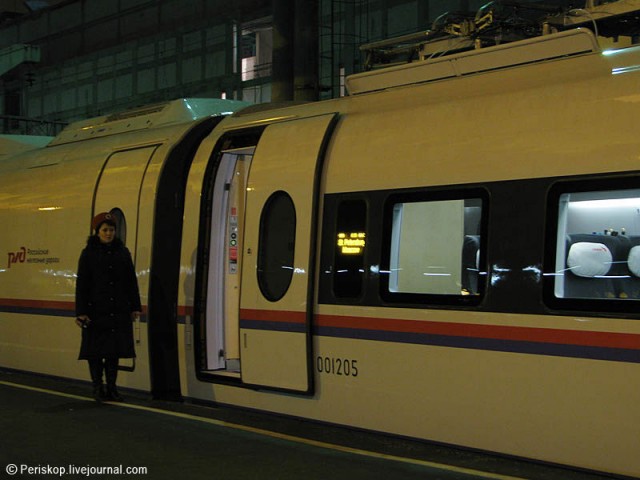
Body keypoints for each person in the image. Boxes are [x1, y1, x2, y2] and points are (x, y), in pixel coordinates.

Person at [75, 212, 141, 402]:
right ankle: (98, 386)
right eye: (105, 230)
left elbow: (131, 281)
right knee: (95, 352)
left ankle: (111, 387)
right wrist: (81, 312)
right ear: (97, 232)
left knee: (113, 352)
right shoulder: (88, 253)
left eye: (111, 230)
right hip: (95, 311)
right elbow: (82, 285)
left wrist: (135, 306)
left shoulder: (123, 252)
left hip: (117, 310)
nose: (109, 233)